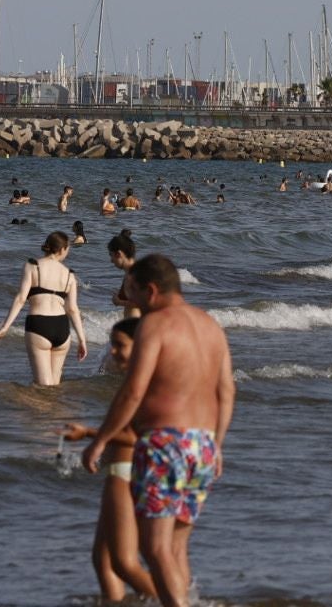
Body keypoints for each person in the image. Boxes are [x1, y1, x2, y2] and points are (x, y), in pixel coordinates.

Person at [82, 254, 234, 607]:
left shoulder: (155, 325)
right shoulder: (210, 325)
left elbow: (133, 390)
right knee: (176, 548)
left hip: (166, 443)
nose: (127, 301)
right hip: (204, 445)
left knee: (154, 548)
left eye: (131, 292)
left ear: (151, 291)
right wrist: (218, 443)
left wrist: (100, 439)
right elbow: (226, 391)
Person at [63, 318, 156, 603]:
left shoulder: (143, 387)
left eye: (120, 346)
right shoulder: (131, 383)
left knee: (123, 563)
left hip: (126, 473)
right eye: (112, 344)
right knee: (101, 560)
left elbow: (142, 439)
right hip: (117, 469)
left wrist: (90, 434)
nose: (112, 351)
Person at [0, 231, 88, 385]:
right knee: (54, 385)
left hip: (39, 325)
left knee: (43, 388)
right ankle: (55, 409)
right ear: (62, 249)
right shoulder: (69, 274)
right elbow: (73, 309)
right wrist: (82, 340)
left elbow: (21, 298)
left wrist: (4, 327)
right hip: (62, 328)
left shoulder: (32, 266)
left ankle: (33, 408)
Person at [108, 230, 142, 319]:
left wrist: (119, 302)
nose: (111, 260)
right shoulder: (131, 272)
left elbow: (142, 303)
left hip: (136, 325)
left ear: (119, 254)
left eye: (111, 255)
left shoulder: (135, 274)